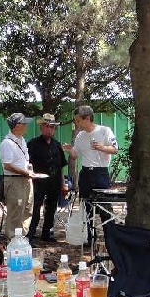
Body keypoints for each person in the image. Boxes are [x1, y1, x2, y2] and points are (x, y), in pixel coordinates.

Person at [63, 105, 119, 245]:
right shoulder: (80, 135)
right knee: (86, 206)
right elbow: (75, 155)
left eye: (78, 120)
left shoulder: (105, 131)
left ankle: (111, 238)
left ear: (87, 118)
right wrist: (70, 150)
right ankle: (90, 238)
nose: (77, 123)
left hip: (100, 172)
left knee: (105, 206)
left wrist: (101, 147)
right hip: (86, 173)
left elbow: (115, 149)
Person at [27, 113, 67, 243]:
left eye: (52, 127)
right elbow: (27, 164)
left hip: (54, 182)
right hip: (37, 182)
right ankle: (30, 235)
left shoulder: (57, 145)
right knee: (35, 208)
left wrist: (63, 183)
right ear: (41, 127)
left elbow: (61, 166)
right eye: (47, 126)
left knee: (51, 208)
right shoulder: (32, 144)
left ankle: (47, 234)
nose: (49, 129)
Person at [0, 113, 36, 235]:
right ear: (17, 126)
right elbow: (7, 165)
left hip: (26, 179)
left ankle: (22, 238)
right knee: (16, 212)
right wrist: (26, 172)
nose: (26, 126)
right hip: (14, 181)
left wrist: (29, 170)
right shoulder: (6, 143)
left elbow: (23, 161)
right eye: (24, 123)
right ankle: (12, 240)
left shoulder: (22, 140)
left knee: (27, 210)